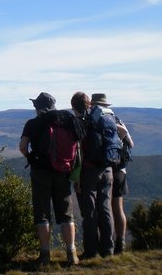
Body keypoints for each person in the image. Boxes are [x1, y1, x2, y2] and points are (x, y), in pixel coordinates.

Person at [19, 92, 80, 266]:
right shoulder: (67, 121)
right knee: (66, 214)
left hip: (40, 172)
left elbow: (23, 146)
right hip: (63, 170)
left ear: (37, 107)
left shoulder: (33, 124)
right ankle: (72, 254)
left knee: (42, 214)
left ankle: (45, 255)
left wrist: (31, 157)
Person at [90, 93, 135, 254]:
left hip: (103, 168)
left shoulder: (94, 119)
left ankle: (103, 246)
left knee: (102, 209)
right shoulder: (116, 119)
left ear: (92, 105)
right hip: (120, 169)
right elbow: (131, 143)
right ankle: (120, 244)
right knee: (118, 207)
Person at [73, 92, 115, 259]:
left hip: (89, 171)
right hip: (107, 169)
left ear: (74, 107)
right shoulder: (105, 119)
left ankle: (91, 252)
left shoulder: (82, 124)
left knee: (89, 212)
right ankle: (108, 250)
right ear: (89, 104)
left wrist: (76, 178)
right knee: (105, 209)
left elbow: (78, 153)